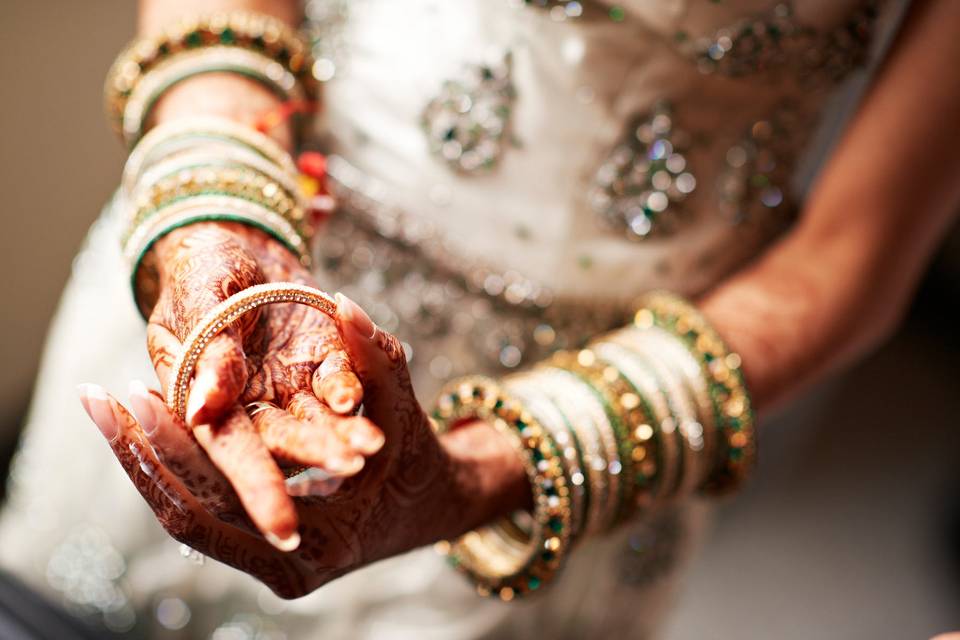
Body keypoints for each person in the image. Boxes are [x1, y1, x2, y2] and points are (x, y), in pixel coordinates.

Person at [2, 0, 958, 637]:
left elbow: (850, 255)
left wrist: (490, 473)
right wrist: (211, 215)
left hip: (594, 431)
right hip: (233, 311)